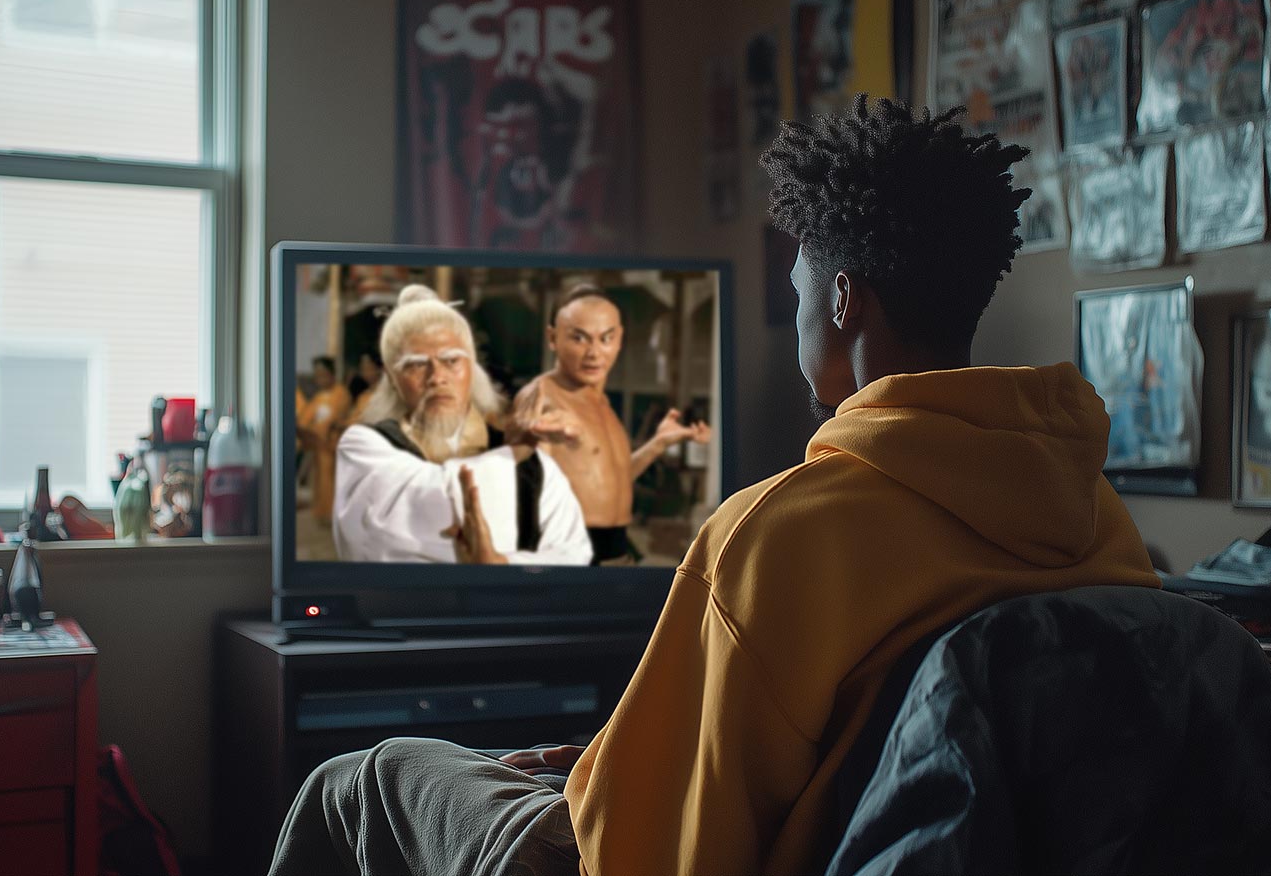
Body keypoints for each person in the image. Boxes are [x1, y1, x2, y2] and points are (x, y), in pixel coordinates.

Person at [268, 95, 1161, 876]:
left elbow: (651, 857)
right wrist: (619, 761)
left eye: (800, 283)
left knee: (363, 777)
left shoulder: (776, 533)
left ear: (844, 299)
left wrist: (600, 788)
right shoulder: (1093, 516)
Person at [331, 285, 592, 566]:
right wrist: (514, 453)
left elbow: (573, 556)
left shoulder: (536, 466)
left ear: (472, 369)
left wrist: (501, 563)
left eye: (451, 360)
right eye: (416, 365)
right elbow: (402, 519)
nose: (437, 377)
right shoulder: (364, 446)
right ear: (393, 380)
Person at [509, 285, 711, 564]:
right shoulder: (541, 395)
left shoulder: (599, 402)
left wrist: (658, 443)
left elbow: (616, 478)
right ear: (553, 338)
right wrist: (529, 435)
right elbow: (512, 458)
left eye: (605, 338)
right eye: (579, 338)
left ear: (619, 340)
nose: (594, 353)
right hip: (571, 553)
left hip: (615, 551)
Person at [296, 357, 350, 525]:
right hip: (318, 446)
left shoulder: (341, 394)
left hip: (332, 447)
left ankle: (333, 515)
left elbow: (334, 419)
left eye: (324, 375)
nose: (321, 379)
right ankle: (322, 513)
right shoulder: (319, 397)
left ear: (332, 374)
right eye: (317, 375)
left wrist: (316, 431)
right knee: (319, 480)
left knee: (332, 481)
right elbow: (305, 417)